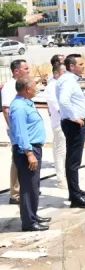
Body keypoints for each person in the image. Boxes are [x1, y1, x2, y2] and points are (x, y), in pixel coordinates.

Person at [9, 76, 50, 232]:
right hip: (27, 151)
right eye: (34, 86)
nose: (36, 88)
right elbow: (21, 133)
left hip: (33, 148)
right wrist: (29, 153)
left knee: (34, 185)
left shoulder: (26, 103)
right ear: (27, 89)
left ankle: (33, 215)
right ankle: (28, 222)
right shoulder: (19, 107)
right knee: (28, 187)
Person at [56, 54, 85, 209]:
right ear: (71, 66)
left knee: (75, 160)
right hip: (74, 125)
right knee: (73, 161)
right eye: (81, 63)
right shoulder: (67, 81)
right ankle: (75, 197)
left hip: (74, 123)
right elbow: (64, 101)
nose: (83, 66)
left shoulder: (69, 80)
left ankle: (76, 190)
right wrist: (75, 118)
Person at [2, 59, 30, 205]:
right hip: (16, 129)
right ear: (16, 71)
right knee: (17, 160)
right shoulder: (10, 87)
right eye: (26, 69)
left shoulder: (21, 85)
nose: (28, 71)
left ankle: (24, 188)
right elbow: (6, 110)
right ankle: (15, 193)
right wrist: (14, 130)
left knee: (23, 159)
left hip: (23, 129)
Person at [44, 55, 67, 189]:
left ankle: (66, 176)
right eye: (63, 73)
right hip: (60, 123)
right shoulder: (52, 86)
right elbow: (58, 107)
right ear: (56, 73)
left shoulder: (61, 84)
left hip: (66, 122)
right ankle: (61, 179)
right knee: (60, 151)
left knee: (65, 151)